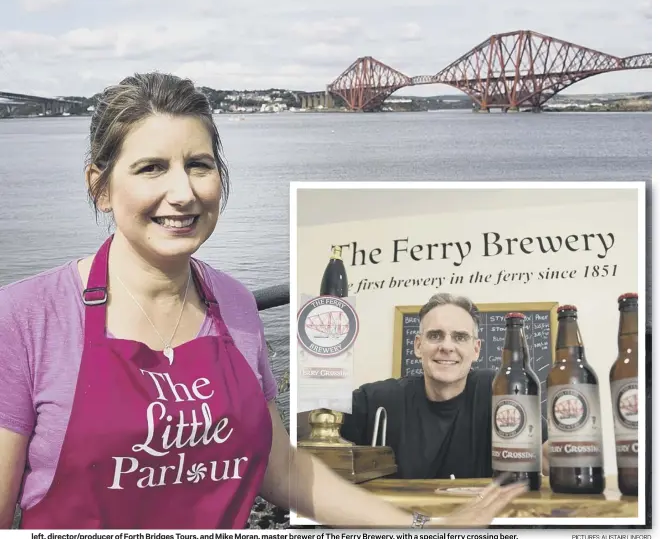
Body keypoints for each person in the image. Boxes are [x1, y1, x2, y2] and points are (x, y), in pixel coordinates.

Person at [0, 73, 528, 530]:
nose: (183, 192)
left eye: (199, 165)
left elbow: (282, 468)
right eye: (151, 168)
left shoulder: (232, 303)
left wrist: (423, 524)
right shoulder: (27, 318)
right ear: (101, 188)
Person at [301, 293, 550, 479]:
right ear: (418, 346)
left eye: (460, 337)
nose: (447, 346)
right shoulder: (379, 399)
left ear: (476, 350)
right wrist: (321, 351)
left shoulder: (498, 390)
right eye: (435, 335)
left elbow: (545, 452)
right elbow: (308, 425)